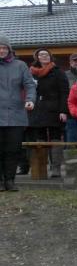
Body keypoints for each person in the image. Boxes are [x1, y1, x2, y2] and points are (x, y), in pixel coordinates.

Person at [26, 48, 69, 178]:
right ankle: (41, 169)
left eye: (46, 54)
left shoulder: (58, 72)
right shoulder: (32, 73)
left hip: (55, 109)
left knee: (56, 137)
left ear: (50, 57)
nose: (44, 56)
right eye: (41, 55)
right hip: (38, 110)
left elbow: (64, 93)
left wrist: (63, 110)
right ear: (37, 58)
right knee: (40, 138)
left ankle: (56, 169)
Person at [0, 35, 35, 191]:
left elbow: (30, 85)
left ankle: (10, 180)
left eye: (4, 48)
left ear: (9, 50)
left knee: (13, 150)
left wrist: (30, 99)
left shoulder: (20, 65)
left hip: (16, 115)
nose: (1, 51)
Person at [64, 53, 77, 143]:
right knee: (72, 134)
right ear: (70, 62)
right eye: (75, 61)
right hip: (71, 110)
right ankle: (70, 150)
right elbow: (63, 93)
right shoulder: (65, 75)